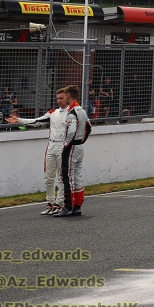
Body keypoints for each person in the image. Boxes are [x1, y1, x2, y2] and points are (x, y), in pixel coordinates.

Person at [7, 92, 72, 215]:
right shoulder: (53, 113)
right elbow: (37, 121)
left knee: (62, 177)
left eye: (61, 98)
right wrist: (19, 120)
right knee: (48, 177)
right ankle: (50, 203)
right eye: (57, 98)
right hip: (51, 145)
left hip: (63, 146)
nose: (59, 101)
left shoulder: (72, 112)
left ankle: (59, 203)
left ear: (67, 98)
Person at [52, 85, 90, 217]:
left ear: (68, 96)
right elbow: (88, 128)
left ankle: (67, 207)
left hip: (72, 147)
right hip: (80, 146)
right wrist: (81, 141)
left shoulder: (72, 112)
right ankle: (77, 206)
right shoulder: (82, 110)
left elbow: (72, 130)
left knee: (67, 177)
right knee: (77, 176)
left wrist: (66, 144)